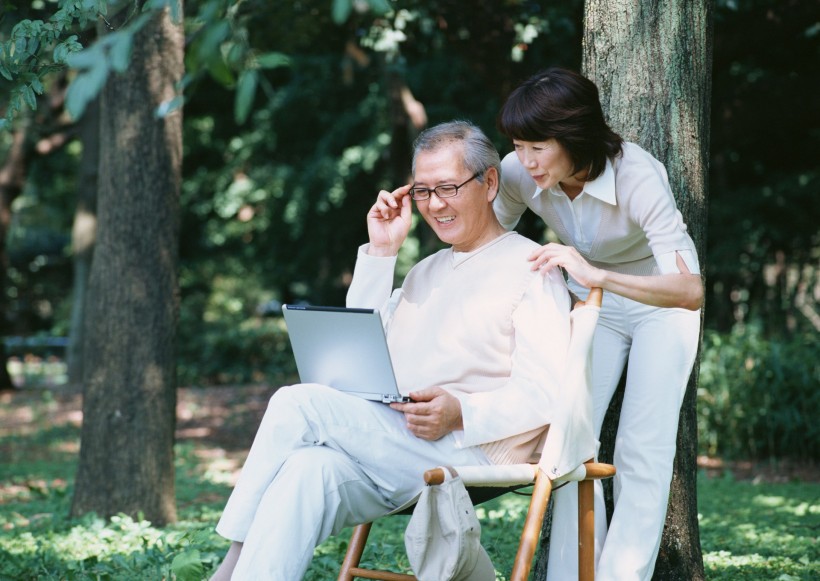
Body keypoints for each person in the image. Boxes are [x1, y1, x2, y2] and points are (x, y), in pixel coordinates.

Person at [209, 120, 572, 580]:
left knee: (293, 402)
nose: (435, 204)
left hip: (467, 450)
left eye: (448, 187)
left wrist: (461, 412)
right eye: (422, 191)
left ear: (489, 183)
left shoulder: (532, 267)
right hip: (393, 440)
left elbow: (548, 393)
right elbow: (357, 351)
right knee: (306, 469)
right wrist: (382, 252)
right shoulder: (424, 269)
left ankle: (229, 564)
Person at [494, 67, 704, 581]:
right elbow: (489, 238)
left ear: (575, 135)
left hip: (660, 302)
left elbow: (690, 291)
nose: (525, 161)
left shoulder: (637, 174)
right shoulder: (519, 173)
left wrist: (595, 274)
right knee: (569, 439)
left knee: (641, 445)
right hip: (591, 305)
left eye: (537, 147)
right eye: (519, 146)